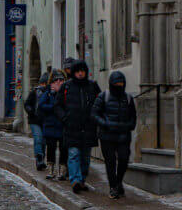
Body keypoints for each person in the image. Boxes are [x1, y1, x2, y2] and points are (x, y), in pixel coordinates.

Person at [55, 57, 100, 193]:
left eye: (82, 71)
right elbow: (58, 105)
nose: (80, 74)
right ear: (74, 72)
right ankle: (75, 180)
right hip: (72, 127)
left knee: (85, 157)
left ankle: (82, 180)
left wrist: (95, 117)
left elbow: (99, 103)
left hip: (88, 127)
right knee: (73, 154)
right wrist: (64, 118)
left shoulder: (92, 86)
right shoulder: (67, 87)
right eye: (78, 71)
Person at [92, 70, 137, 199]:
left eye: (121, 83)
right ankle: (113, 186)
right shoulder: (103, 96)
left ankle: (118, 182)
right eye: (117, 83)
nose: (119, 85)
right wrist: (104, 123)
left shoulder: (128, 98)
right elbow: (94, 114)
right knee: (110, 162)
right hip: (107, 136)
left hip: (123, 135)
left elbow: (133, 116)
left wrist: (129, 126)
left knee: (123, 159)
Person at [38, 70, 67, 181]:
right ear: (52, 82)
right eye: (56, 80)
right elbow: (41, 105)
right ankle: (51, 169)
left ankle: (62, 170)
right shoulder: (48, 93)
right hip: (50, 125)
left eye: (61, 80)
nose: (58, 82)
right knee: (51, 147)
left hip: (62, 124)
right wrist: (53, 106)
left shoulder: (66, 91)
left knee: (64, 148)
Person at [24, 73, 49, 171]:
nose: (44, 85)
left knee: (43, 141)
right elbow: (27, 104)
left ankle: (41, 159)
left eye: (45, 83)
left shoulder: (50, 93)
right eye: (43, 83)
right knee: (38, 138)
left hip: (45, 121)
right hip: (35, 120)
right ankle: (39, 159)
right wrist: (31, 111)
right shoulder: (34, 92)